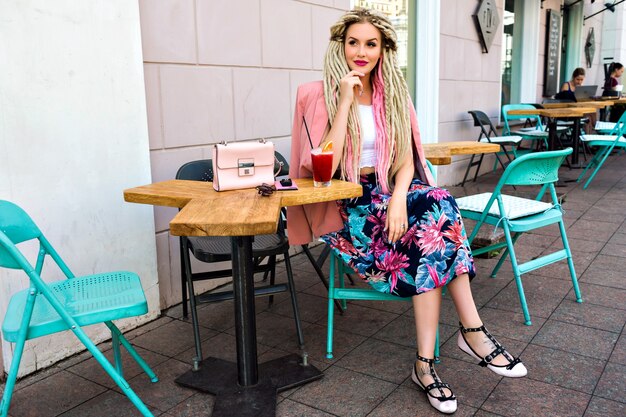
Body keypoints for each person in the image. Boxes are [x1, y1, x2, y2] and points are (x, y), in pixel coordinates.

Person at [287, 8, 527, 415]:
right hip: (349, 206)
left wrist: (399, 198)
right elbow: (322, 163)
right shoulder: (315, 92)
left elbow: (405, 158)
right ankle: (464, 339)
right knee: (435, 227)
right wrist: (345, 101)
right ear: (340, 46)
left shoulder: (392, 93)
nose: (360, 52)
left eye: (371, 44)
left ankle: (433, 361)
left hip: (391, 193)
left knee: (435, 211)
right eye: (353, 43)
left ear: (383, 50)